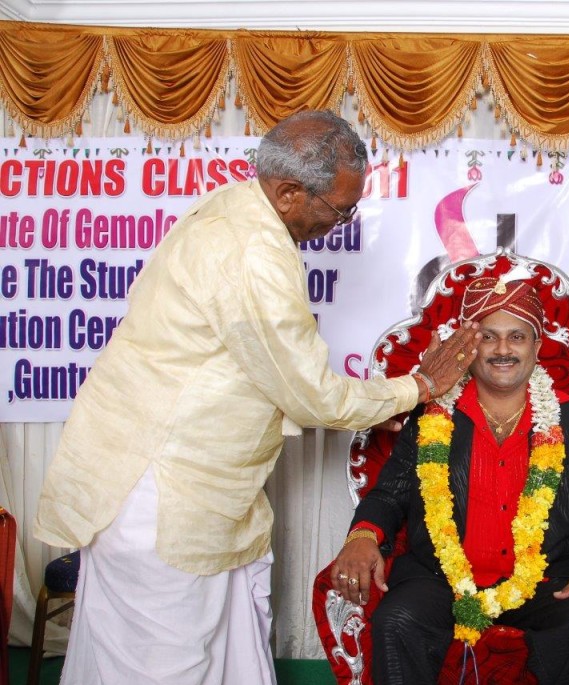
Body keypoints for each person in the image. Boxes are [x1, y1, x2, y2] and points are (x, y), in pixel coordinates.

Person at [33, 110, 479, 685]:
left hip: (200, 487)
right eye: (341, 209)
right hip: (163, 492)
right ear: (290, 192)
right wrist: (418, 387)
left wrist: (384, 405)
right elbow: (311, 395)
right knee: (162, 663)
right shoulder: (252, 252)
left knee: (227, 651)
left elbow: (269, 376)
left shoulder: (238, 209)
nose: (341, 223)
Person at [330, 274, 569, 685]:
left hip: (545, 580)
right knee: (397, 621)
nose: (503, 349)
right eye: (488, 337)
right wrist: (363, 535)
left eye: (517, 337)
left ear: (537, 347)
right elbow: (389, 494)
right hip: (440, 578)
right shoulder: (431, 417)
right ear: (469, 348)